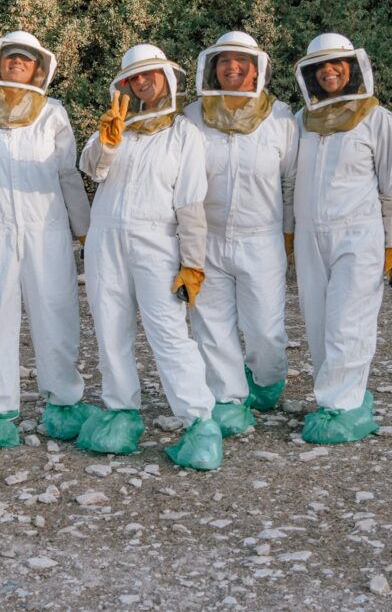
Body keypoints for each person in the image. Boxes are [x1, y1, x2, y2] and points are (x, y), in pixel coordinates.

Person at [0, 31, 92, 454]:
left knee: (57, 315)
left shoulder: (53, 115)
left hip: (47, 230)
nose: (16, 65)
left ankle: (64, 402)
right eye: (10, 58)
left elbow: (67, 175)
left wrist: (86, 230)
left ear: (38, 68)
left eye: (24, 60)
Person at [77, 43, 223, 471]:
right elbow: (92, 169)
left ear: (166, 78)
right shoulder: (117, 124)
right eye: (134, 78)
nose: (142, 82)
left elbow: (191, 203)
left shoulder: (184, 134)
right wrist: (107, 141)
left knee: (169, 334)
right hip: (105, 240)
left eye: (149, 75)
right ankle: (121, 413)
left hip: (158, 243)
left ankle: (200, 423)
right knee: (110, 328)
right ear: (125, 85)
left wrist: (192, 263)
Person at [292, 33, 392, 443]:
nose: (329, 71)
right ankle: (340, 396)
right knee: (319, 322)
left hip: (359, 234)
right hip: (309, 236)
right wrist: (289, 235)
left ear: (353, 66)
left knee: (349, 322)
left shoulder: (378, 118)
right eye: (320, 66)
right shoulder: (299, 121)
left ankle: (341, 405)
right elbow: (289, 183)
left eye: (336, 63)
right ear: (310, 74)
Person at [182, 32, 298, 437]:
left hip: (262, 238)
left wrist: (289, 235)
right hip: (207, 238)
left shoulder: (282, 118)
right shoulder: (193, 116)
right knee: (210, 327)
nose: (233, 67)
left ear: (257, 71)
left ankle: (266, 382)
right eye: (224, 60)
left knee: (266, 330)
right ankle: (227, 399)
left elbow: (291, 183)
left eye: (242, 61)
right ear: (212, 68)